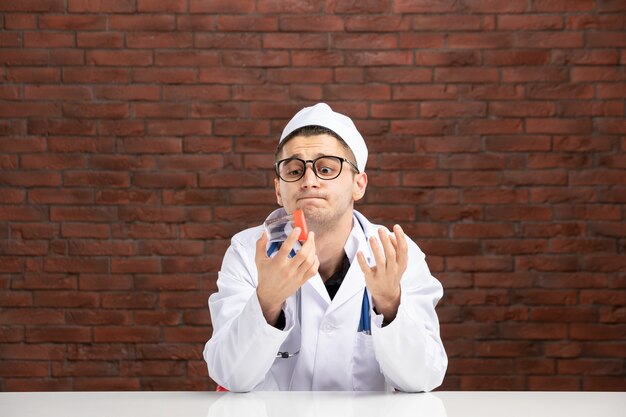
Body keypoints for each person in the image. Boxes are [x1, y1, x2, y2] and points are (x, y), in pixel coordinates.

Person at [203, 103, 447, 392]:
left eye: (326, 168)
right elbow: (230, 376)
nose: (309, 181)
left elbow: (423, 379)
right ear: (279, 190)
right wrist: (267, 301)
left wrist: (390, 303)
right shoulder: (248, 252)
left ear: (359, 184)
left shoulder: (394, 254)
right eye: (294, 170)